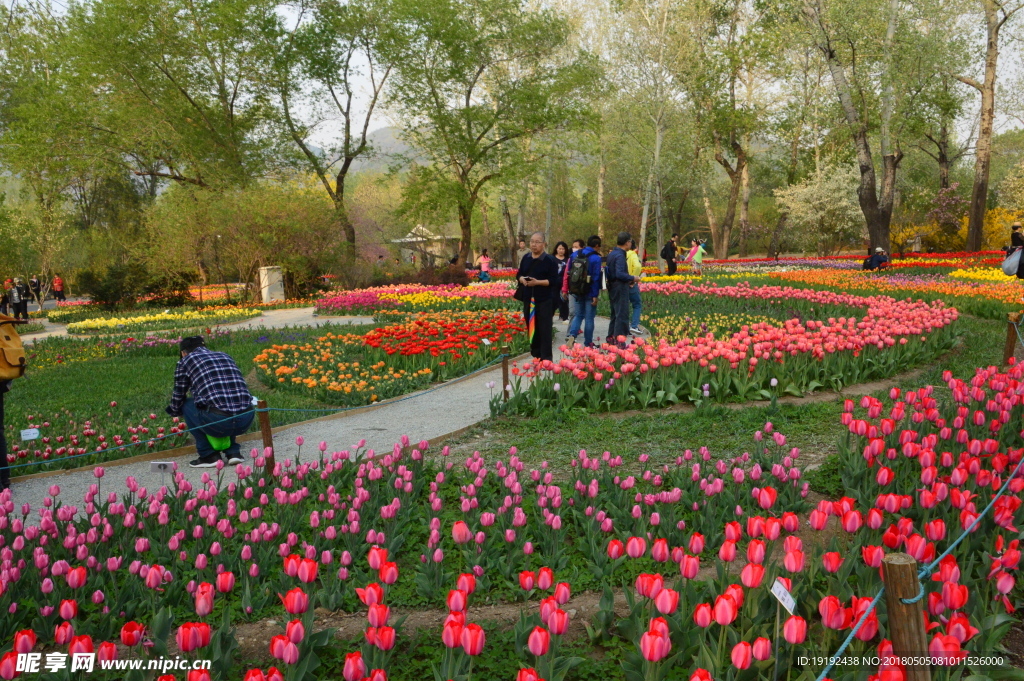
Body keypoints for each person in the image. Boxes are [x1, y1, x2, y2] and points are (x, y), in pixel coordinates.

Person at [166, 335, 255, 468]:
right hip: (246, 418)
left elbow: (179, 394)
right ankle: (233, 453)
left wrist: (174, 411)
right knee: (229, 402)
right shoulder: (225, 355)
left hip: (219, 421)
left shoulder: (185, 361)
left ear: (183, 352)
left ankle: (208, 455)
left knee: (186, 404)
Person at [515, 233, 559, 362]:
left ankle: (546, 358)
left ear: (543, 244)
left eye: (537, 242)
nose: (534, 244)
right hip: (528, 298)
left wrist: (538, 282)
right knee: (531, 326)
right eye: (532, 241)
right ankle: (536, 354)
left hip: (544, 299)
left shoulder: (550, 260)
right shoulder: (526, 258)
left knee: (544, 328)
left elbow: (554, 281)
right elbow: (519, 274)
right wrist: (522, 279)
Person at [566, 236, 603, 347]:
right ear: (596, 246)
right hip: (589, 291)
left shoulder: (574, 255)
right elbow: (596, 278)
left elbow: (569, 272)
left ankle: (572, 335)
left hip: (576, 290)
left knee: (578, 315)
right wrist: (595, 295)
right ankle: (588, 343)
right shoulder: (596, 258)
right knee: (589, 318)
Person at [605, 232, 639, 346]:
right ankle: (619, 342)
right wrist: (633, 277)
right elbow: (619, 274)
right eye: (630, 241)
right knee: (622, 314)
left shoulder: (612, 253)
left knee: (615, 314)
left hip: (612, 286)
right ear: (627, 242)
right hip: (620, 286)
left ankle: (611, 338)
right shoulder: (620, 255)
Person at [562, 239, 584, 329]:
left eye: (576, 247)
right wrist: (564, 289)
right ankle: (570, 333)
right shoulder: (571, 259)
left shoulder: (586, 259)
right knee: (572, 312)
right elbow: (566, 275)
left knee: (580, 312)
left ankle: (576, 329)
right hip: (572, 289)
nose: (574, 249)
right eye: (573, 247)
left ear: (582, 248)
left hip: (582, 289)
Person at [627, 239, 643, 335]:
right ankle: (634, 325)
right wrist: (634, 278)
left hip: (621, 283)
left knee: (624, 306)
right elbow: (637, 266)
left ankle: (623, 326)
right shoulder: (633, 255)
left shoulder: (621, 254)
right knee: (637, 304)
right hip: (631, 283)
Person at [551, 242, 570, 322]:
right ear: (556, 249)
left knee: (564, 300)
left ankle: (564, 317)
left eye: (563, 249)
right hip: (554, 282)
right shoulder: (551, 258)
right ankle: (550, 316)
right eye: (559, 249)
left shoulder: (568, 259)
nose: (561, 250)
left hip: (564, 282)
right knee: (553, 299)